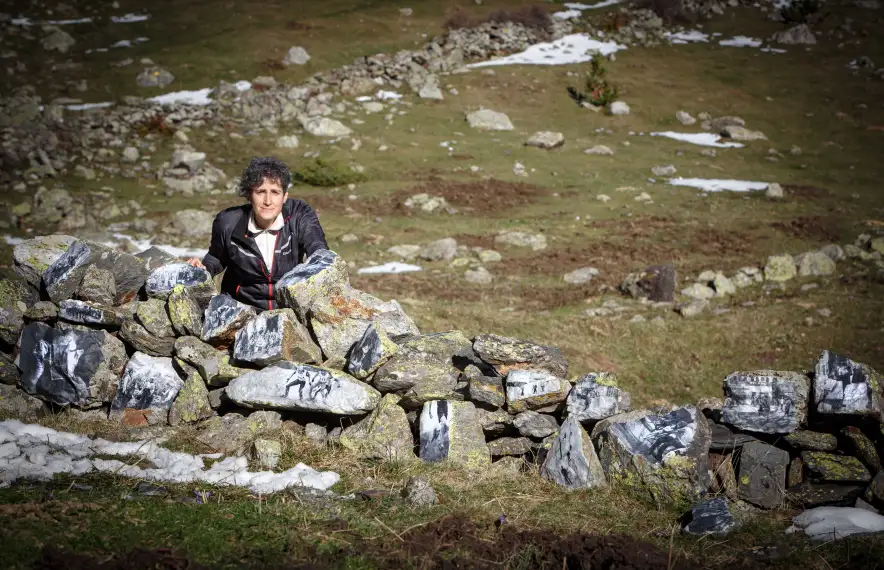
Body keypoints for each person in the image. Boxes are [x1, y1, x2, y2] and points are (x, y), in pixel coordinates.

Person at [188, 156, 328, 311]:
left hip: (288, 312)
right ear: (249, 194)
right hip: (240, 312)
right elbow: (216, 257)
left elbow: (319, 252)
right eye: (260, 192)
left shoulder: (300, 216)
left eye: (275, 192)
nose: (268, 201)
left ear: (285, 197)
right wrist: (203, 269)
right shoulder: (228, 222)